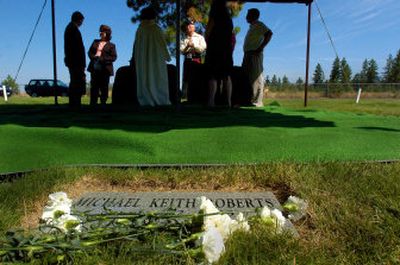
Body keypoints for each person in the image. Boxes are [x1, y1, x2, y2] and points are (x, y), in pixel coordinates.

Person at [133, 7, 171, 106]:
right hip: (156, 58)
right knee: (157, 77)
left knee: (145, 77)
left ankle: (146, 99)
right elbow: (162, 44)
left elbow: (136, 45)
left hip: (143, 59)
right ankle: (159, 98)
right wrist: (167, 56)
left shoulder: (140, 29)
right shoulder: (156, 29)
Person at [205, 0, 234, 108]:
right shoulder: (229, 20)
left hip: (214, 48)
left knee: (213, 75)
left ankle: (211, 102)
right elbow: (231, 36)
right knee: (227, 75)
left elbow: (207, 33)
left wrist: (209, 42)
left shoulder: (213, 17)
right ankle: (229, 102)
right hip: (226, 49)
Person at [242, 8, 273, 107]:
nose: (246, 16)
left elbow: (269, 33)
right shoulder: (252, 27)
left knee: (256, 77)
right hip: (248, 54)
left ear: (253, 16)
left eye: (248, 14)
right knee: (247, 77)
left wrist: (260, 48)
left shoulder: (259, 25)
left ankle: (257, 102)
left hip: (255, 53)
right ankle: (248, 100)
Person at [87, 24, 117, 106]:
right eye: (100, 31)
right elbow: (89, 52)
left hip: (105, 68)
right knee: (94, 86)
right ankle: (93, 103)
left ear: (107, 33)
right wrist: (94, 57)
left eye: (102, 31)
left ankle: (103, 103)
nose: (100, 33)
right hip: (94, 66)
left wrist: (102, 59)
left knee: (104, 86)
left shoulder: (112, 45)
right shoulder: (95, 41)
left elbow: (114, 57)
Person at [64, 11, 86, 108]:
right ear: (79, 19)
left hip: (73, 61)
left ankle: (74, 103)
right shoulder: (72, 29)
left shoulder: (70, 28)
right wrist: (80, 62)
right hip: (75, 61)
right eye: (81, 20)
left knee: (75, 82)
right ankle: (75, 103)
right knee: (76, 82)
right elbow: (75, 48)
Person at [180, 21, 207, 99]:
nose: (189, 27)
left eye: (191, 26)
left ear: (194, 28)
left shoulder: (200, 37)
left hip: (196, 58)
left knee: (197, 77)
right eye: (188, 26)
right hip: (187, 59)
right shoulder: (184, 38)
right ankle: (186, 97)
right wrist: (187, 46)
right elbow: (181, 50)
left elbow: (203, 48)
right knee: (186, 78)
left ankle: (197, 97)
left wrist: (194, 46)